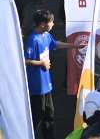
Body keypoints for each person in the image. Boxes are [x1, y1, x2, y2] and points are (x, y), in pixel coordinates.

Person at [24, 10, 83, 139]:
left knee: (49, 114)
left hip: (46, 85)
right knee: (37, 116)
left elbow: (55, 44)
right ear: (42, 24)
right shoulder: (33, 39)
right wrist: (41, 63)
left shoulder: (46, 35)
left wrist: (74, 46)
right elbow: (25, 60)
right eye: (51, 22)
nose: (53, 24)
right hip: (37, 86)